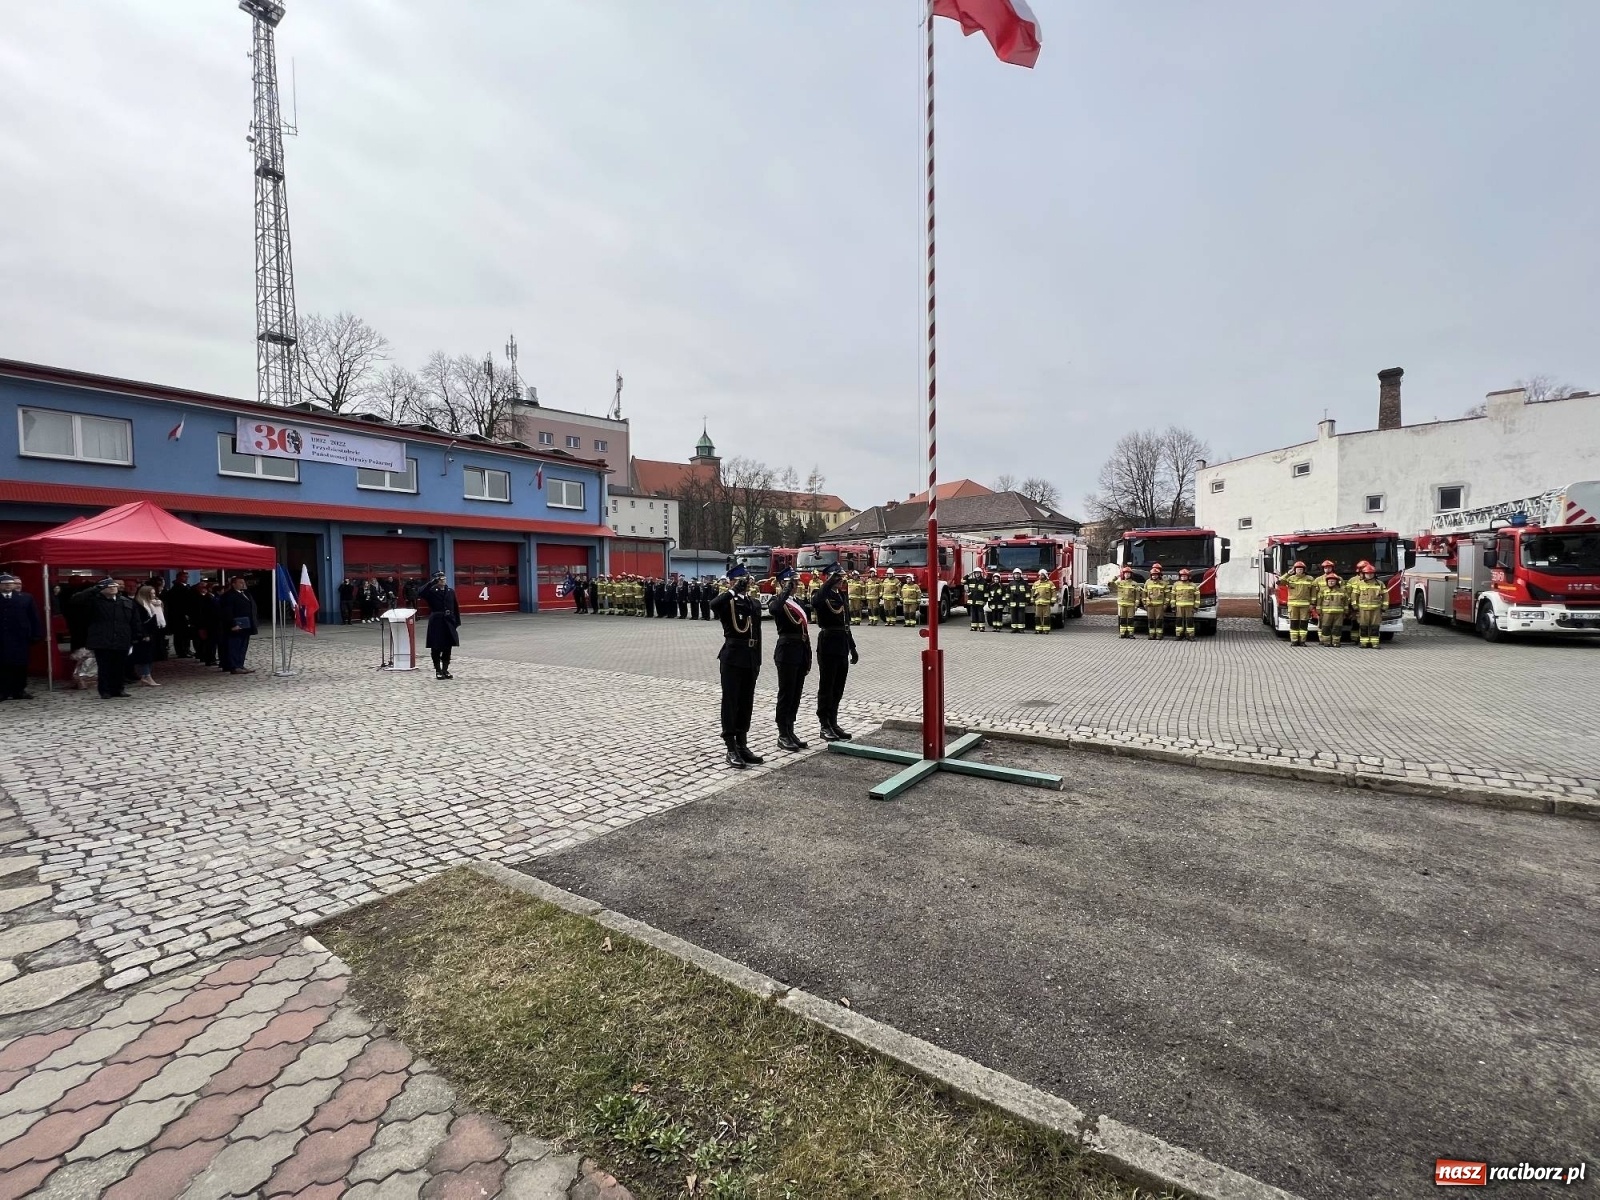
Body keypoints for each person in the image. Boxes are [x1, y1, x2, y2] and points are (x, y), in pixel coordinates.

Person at [711, 566, 764, 769]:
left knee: (746, 703)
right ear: (731, 581)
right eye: (740, 580)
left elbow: (757, 633)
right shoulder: (728, 602)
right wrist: (732, 591)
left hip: (750, 658)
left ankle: (743, 745)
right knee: (731, 702)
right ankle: (731, 747)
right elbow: (713, 605)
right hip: (732, 658)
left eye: (746, 580)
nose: (745, 583)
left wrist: (758, 661)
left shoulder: (752, 603)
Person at [768, 569, 813, 752]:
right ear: (783, 584)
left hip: (800, 651)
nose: (796, 586)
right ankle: (782, 734)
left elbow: (804, 630)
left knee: (795, 694)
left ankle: (791, 730)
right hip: (786, 652)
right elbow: (774, 609)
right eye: (792, 583)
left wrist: (808, 655)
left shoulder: (798, 602)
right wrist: (784, 590)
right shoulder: (778, 602)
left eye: (796, 583)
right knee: (786, 694)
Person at [812, 564, 858, 742]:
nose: (841, 581)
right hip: (828, 643)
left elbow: (845, 624)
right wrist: (829, 581)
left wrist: (852, 647)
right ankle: (824, 725)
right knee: (827, 687)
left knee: (838, 687)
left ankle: (833, 721)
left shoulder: (841, 595)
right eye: (837, 578)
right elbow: (815, 603)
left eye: (841, 578)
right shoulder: (821, 593)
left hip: (842, 644)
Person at [85, 578, 139, 698]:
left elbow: (134, 621)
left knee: (119, 667)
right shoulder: (94, 602)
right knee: (104, 667)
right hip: (102, 639)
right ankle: (105, 690)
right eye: (109, 586)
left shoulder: (126, 601)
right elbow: (77, 600)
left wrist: (135, 637)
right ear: (102, 589)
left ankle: (119, 689)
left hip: (122, 638)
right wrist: (94, 589)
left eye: (114, 586)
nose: (113, 587)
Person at [0, 573, 43, 701]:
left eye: (10, 583)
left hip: (19, 637)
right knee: (3, 665)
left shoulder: (25, 598)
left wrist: (36, 633)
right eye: (4, 583)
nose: (8, 585)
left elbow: (33, 617)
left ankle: (19, 690)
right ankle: (3, 691)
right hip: (2, 638)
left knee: (20, 665)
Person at [418, 570, 462, 678]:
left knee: (448, 647)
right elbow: (420, 593)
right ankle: (438, 670)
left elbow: (455, 607)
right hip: (437, 621)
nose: (444, 581)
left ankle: (445, 669)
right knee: (436, 647)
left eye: (444, 578)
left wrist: (456, 622)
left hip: (448, 621)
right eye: (441, 579)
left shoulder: (450, 591)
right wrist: (431, 583)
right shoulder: (431, 591)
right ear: (436, 580)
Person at [218, 575, 259, 674]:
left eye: (243, 582)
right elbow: (227, 612)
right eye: (240, 582)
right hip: (236, 625)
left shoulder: (245, 593)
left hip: (246, 625)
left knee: (242, 646)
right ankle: (234, 666)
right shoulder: (229, 596)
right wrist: (232, 624)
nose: (243, 584)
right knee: (234, 646)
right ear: (233, 584)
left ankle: (240, 664)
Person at [130, 584, 166, 687]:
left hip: (153, 632)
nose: (154, 595)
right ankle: (146, 675)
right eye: (151, 594)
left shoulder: (154, 604)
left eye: (154, 593)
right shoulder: (139, 605)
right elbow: (138, 621)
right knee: (144, 656)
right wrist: (143, 633)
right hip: (143, 634)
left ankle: (146, 675)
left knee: (150, 655)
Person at [1349, 561, 1386, 648]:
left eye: (1371, 574)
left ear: (1374, 574)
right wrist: (1354, 605)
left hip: (1376, 610)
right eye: (1367, 574)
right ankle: (1364, 643)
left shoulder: (1379, 584)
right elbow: (1354, 595)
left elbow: (1385, 595)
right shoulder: (1359, 584)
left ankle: (1375, 643)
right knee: (1363, 626)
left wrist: (1384, 606)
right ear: (1363, 574)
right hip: (1362, 610)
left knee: (1375, 626)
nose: (1369, 575)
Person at [1281, 560, 1316, 646]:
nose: (1299, 571)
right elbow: (1280, 582)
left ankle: (1302, 641)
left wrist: (1312, 604)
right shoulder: (1290, 578)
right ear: (1294, 570)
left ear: (1304, 570)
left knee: (1304, 623)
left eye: (1301, 569)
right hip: (1293, 605)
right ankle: (1294, 641)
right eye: (1297, 569)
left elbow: (1314, 592)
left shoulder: (1310, 579)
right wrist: (1288, 573)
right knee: (1294, 623)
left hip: (1305, 605)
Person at [1314, 563, 1346, 646]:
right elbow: (1319, 600)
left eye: (1333, 581)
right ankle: (1326, 642)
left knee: (1337, 628)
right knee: (1325, 627)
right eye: (1330, 581)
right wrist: (1318, 610)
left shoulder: (1341, 591)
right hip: (1326, 613)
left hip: (1338, 613)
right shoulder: (1322, 589)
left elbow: (1346, 601)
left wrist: (1346, 610)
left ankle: (1336, 642)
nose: (1331, 582)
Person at [192, 579, 220, 666]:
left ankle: (210, 657)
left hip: (209, 623)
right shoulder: (207, 598)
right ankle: (209, 658)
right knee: (210, 642)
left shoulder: (211, 597)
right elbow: (203, 612)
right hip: (209, 623)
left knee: (210, 642)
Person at [167, 574, 195, 657]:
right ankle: (181, 651)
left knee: (186, 633)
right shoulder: (176, 588)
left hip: (186, 613)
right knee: (179, 634)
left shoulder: (187, 587)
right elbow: (178, 602)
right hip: (179, 614)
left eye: (187, 577)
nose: (186, 578)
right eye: (184, 577)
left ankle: (187, 649)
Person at [1141, 564, 1171, 640]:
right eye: (1153, 575)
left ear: (1159, 575)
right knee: (1150, 620)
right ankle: (1151, 634)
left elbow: (1168, 595)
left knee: (1159, 620)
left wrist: (1165, 604)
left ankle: (1159, 635)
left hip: (1160, 606)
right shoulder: (1147, 582)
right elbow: (1144, 594)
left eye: (1156, 575)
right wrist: (1144, 603)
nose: (1154, 576)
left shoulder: (1164, 583)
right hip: (1150, 605)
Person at [1171, 569, 1200, 640]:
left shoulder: (1193, 585)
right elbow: (1172, 596)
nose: (1183, 578)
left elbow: (1197, 597)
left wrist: (1196, 607)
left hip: (1190, 607)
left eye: (1185, 576)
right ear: (1179, 577)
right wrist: (1173, 606)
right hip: (1179, 607)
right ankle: (1179, 635)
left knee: (1190, 621)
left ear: (1188, 577)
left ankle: (1190, 636)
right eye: (1182, 576)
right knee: (1179, 621)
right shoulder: (1176, 585)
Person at [1114, 566, 1141, 638]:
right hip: (1122, 604)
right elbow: (1110, 584)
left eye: (1128, 573)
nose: (1127, 575)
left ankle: (1130, 633)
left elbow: (1137, 594)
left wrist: (1136, 604)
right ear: (1123, 574)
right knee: (1122, 619)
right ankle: (1122, 633)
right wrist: (1115, 577)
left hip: (1131, 605)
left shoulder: (1134, 584)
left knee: (1130, 619)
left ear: (1131, 574)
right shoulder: (1120, 583)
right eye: (1126, 573)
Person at [1031, 570, 1056, 634]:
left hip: (1046, 603)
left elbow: (1053, 592)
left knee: (1046, 617)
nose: (1040, 576)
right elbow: (1032, 592)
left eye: (1042, 575)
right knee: (1037, 616)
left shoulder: (1050, 583)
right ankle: (1038, 629)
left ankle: (1046, 629)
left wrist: (1053, 600)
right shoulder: (1036, 583)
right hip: (1038, 603)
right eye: (1039, 575)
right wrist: (1032, 600)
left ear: (1045, 575)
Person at [1007, 568, 1029, 633]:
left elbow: (1027, 592)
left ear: (1020, 575)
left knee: (1021, 616)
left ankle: (1021, 629)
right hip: (1013, 602)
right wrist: (1008, 601)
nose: (1016, 575)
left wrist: (1027, 601)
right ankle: (1014, 628)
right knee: (1013, 616)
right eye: (1015, 574)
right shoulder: (1011, 583)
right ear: (1013, 575)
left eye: (1018, 574)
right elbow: (1007, 593)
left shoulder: (1024, 583)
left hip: (1021, 602)